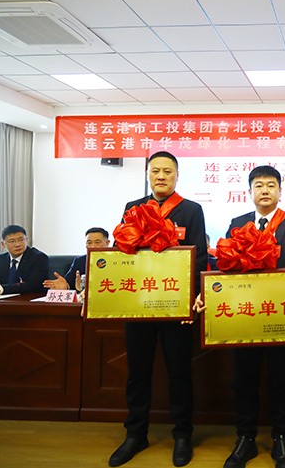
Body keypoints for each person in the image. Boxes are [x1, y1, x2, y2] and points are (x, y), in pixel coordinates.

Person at [108, 151, 208, 468]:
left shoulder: (191, 210)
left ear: (177, 175)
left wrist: (192, 298)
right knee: (137, 372)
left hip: (176, 307)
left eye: (167, 171)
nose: (161, 176)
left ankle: (182, 434)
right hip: (138, 305)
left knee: (179, 372)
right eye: (155, 171)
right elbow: (122, 252)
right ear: (148, 175)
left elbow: (200, 258)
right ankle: (136, 434)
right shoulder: (133, 208)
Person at [219, 166, 285, 468]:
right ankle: (245, 438)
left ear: (280, 191)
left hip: (282, 317)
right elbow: (224, 267)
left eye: (271, 185)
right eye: (259, 185)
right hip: (246, 317)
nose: (265, 190)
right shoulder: (237, 224)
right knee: (244, 380)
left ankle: (281, 439)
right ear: (249, 192)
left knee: (282, 380)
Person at [0, 224, 49, 296]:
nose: (17, 244)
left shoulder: (38, 258)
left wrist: (1, 289)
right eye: (12, 241)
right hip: (4, 301)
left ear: (26, 240)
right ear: (3, 244)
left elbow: (33, 285)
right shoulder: (0, 259)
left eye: (21, 240)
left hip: (29, 300)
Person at [43, 227, 109, 291]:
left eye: (97, 242)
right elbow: (68, 282)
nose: (93, 246)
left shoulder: (114, 260)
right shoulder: (80, 261)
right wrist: (66, 286)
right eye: (89, 243)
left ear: (107, 243)